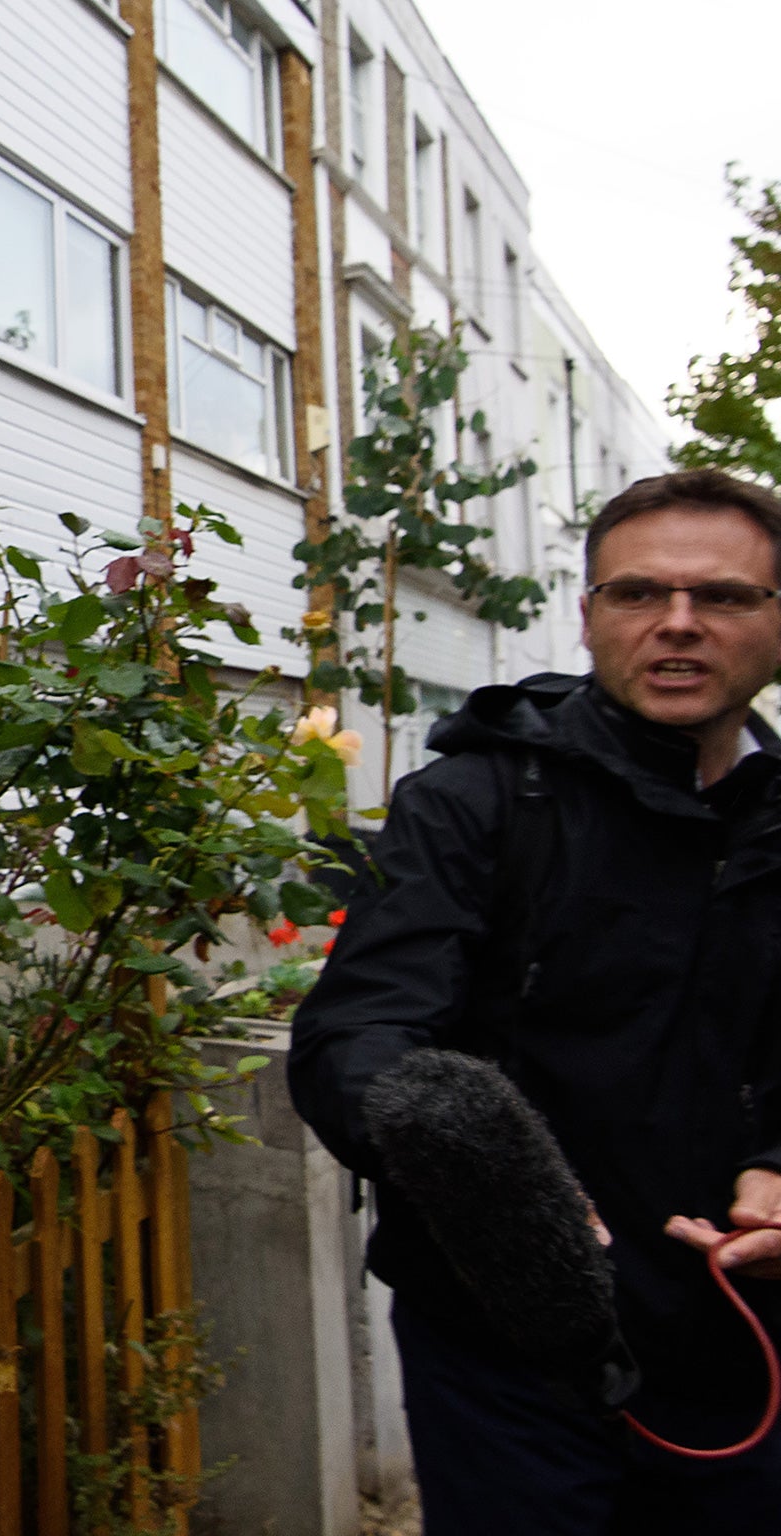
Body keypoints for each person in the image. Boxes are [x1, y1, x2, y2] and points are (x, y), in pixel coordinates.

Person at [290, 467, 781, 1533]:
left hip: (742, 1332)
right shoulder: (475, 800)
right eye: (638, 593)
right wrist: (486, 1179)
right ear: (589, 613)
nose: (677, 625)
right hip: (503, 1339)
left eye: (724, 597)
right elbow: (355, 1034)